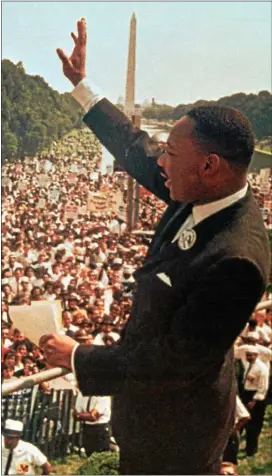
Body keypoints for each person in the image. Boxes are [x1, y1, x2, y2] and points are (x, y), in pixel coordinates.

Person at [40, 19, 271, 474]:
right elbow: (134, 147)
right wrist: (82, 86)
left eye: (170, 154)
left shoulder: (236, 260)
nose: (159, 162)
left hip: (177, 435)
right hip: (152, 415)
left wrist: (79, 357)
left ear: (209, 165)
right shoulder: (205, 190)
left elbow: (172, 361)